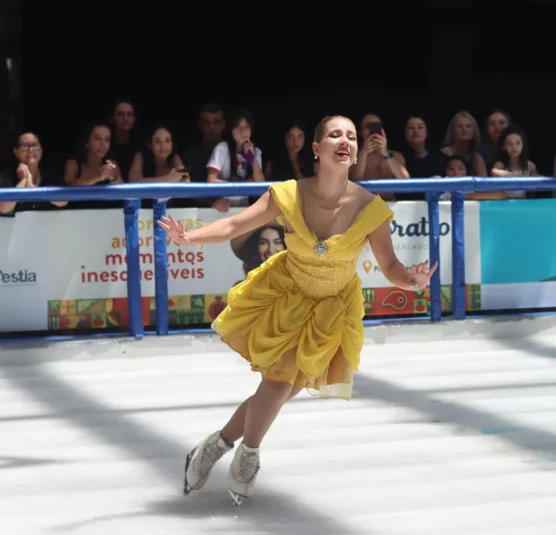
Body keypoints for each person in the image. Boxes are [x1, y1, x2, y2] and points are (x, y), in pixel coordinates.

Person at [158, 115, 437, 505]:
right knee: (279, 383)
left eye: (352, 136)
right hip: (287, 295)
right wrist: (188, 235)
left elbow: (391, 267)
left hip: (331, 311)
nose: (346, 140)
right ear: (317, 148)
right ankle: (248, 454)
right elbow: (235, 224)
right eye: (336, 134)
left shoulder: (370, 208)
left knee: (277, 391)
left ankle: (214, 446)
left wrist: (412, 281)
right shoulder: (287, 195)